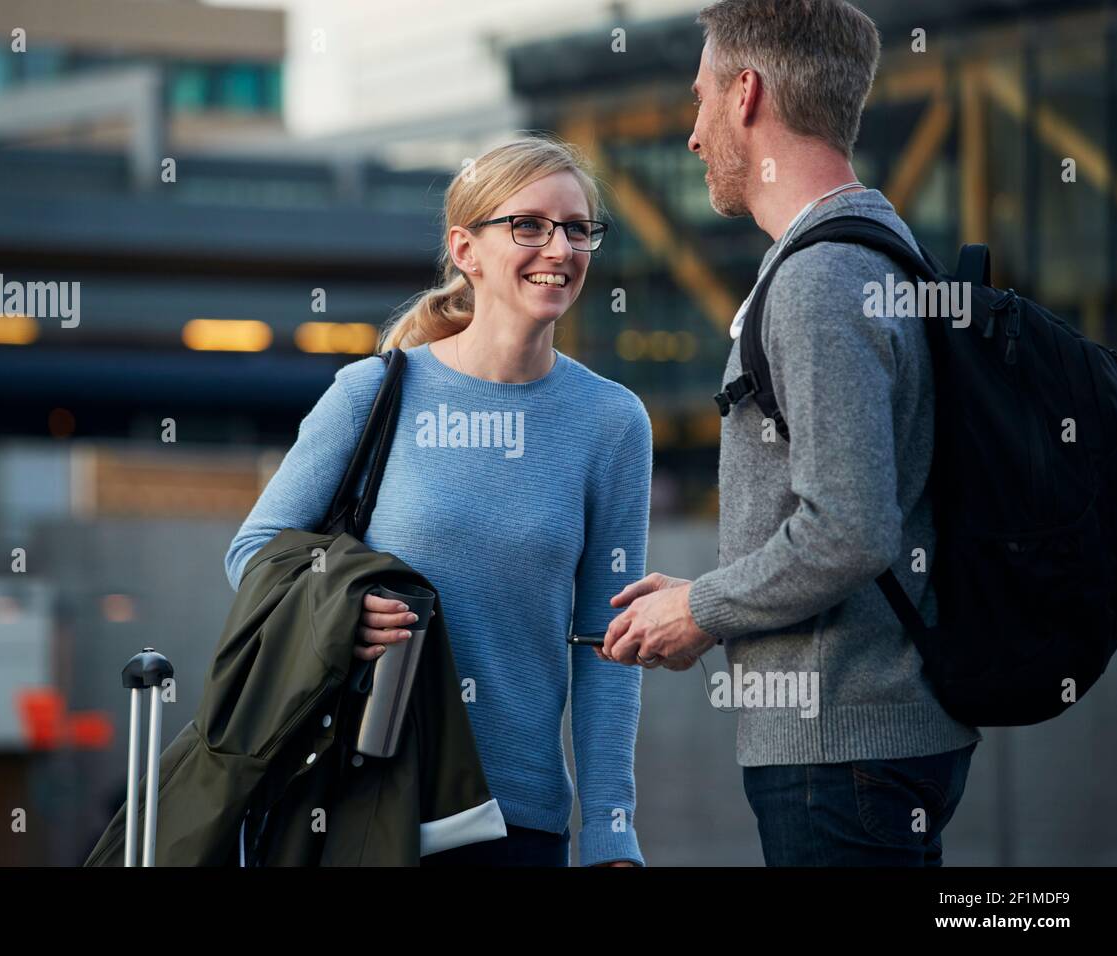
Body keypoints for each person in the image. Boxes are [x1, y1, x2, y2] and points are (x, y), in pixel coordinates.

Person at [600, 0, 981, 865]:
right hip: (870, 738)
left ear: (745, 95)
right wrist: (716, 589)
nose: (693, 134)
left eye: (699, 99)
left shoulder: (821, 278)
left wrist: (700, 609)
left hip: (839, 748)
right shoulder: (877, 245)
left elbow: (849, 529)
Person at [226, 137, 652, 867]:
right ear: (465, 249)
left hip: (519, 825)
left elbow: (607, 645)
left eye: (578, 229)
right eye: (529, 225)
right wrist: (341, 609)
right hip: (362, 805)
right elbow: (253, 554)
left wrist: (611, 829)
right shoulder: (373, 393)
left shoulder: (612, 421)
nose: (560, 248)